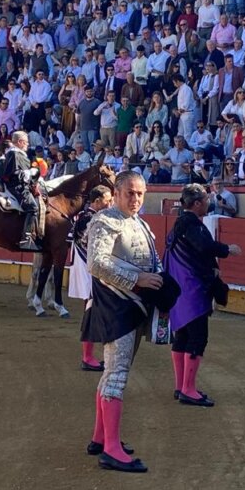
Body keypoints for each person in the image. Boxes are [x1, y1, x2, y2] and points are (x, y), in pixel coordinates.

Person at [84, 170, 165, 473]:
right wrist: (137, 278)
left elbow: (153, 263)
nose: (135, 199)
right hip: (116, 306)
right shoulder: (104, 220)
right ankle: (112, 450)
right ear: (116, 193)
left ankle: (101, 438)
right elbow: (97, 263)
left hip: (134, 307)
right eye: (130, 193)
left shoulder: (139, 224)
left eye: (140, 194)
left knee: (113, 372)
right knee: (116, 374)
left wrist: (161, 293)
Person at [165, 183, 240, 408]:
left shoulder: (179, 223)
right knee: (197, 338)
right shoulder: (191, 225)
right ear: (196, 203)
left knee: (182, 337)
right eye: (206, 200)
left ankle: (181, 386)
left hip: (179, 290)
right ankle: (188, 389)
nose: (208, 203)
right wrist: (228, 250)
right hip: (193, 291)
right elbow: (204, 246)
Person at [69, 185, 114, 371]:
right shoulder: (90, 218)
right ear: (96, 201)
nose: (110, 203)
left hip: (86, 269)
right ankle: (87, 357)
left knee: (92, 311)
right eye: (107, 200)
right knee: (91, 312)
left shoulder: (87, 217)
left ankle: (89, 356)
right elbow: (90, 247)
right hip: (89, 272)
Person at [0, 129, 42, 251]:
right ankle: (26, 239)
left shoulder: (15, 154)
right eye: (26, 142)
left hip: (20, 185)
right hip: (17, 187)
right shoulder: (15, 154)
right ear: (20, 142)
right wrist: (30, 172)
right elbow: (14, 175)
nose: (28, 145)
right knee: (33, 208)